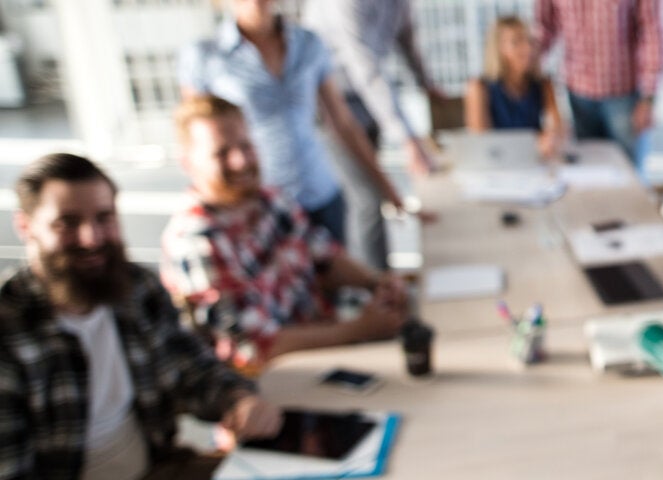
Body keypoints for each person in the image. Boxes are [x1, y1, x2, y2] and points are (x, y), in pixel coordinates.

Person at [1, 153, 281, 479]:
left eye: (104, 218)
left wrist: (240, 400)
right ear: (25, 226)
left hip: (161, 467)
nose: (92, 239)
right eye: (68, 223)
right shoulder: (8, 329)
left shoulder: (137, 288)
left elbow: (193, 368)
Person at [160, 95, 408, 373]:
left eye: (246, 146)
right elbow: (255, 347)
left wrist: (377, 282)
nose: (241, 161)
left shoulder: (269, 199)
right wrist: (360, 329)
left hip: (324, 350)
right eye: (222, 153)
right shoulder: (196, 241)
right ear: (187, 163)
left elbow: (324, 257)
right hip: (275, 380)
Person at [177, 0, 408, 247]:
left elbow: (343, 123)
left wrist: (387, 188)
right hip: (260, 204)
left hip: (321, 194)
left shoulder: (309, 43)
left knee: (336, 275)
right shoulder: (205, 56)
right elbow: (196, 142)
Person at [303, 0, 445, 271]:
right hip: (333, 104)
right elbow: (366, 69)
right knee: (366, 199)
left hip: (368, 103)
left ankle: (383, 281)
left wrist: (425, 82)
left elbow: (406, 37)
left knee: (376, 195)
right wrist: (406, 139)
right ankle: (374, 291)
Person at [536, 0, 663, 172]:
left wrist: (649, 97)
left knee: (628, 172)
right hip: (578, 94)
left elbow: (653, 32)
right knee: (587, 172)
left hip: (624, 95)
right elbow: (543, 28)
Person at [464, 16, 566, 159]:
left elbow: (556, 126)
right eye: (516, 42)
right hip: (498, 165)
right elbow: (482, 141)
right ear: (498, 49)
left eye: (530, 41)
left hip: (534, 163)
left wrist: (552, 137)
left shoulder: (543, 84)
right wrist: (534, 144)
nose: (528, 48)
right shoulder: (479, 87)